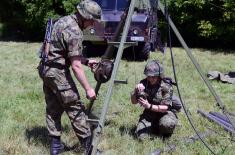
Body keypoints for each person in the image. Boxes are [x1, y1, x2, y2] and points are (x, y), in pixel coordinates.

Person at [38, 0, 102, 154]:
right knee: (75, 107)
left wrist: (86, 60)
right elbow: (75, 66)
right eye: (92, 20)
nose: (93, 24)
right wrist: (88, 89)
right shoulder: (75, 31)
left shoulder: (63, 21)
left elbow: (62, 51)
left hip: (46, 69)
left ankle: (55, 147)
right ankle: (89, 149)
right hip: (58, 73)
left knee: (53, 108)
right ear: (85, 16)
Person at [131, 60, 182, 140]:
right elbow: (133, 102)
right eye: (148, 76)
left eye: (153, 77)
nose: (150, 79)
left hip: (164, 113)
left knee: (166, 125)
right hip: (149, 114)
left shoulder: (165, 86)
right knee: (141, 137)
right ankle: (155, 126)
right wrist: (135, 90)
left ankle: (167, 126)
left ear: (159, 76)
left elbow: (165, 108)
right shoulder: (143, 83)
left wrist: (149, 106)